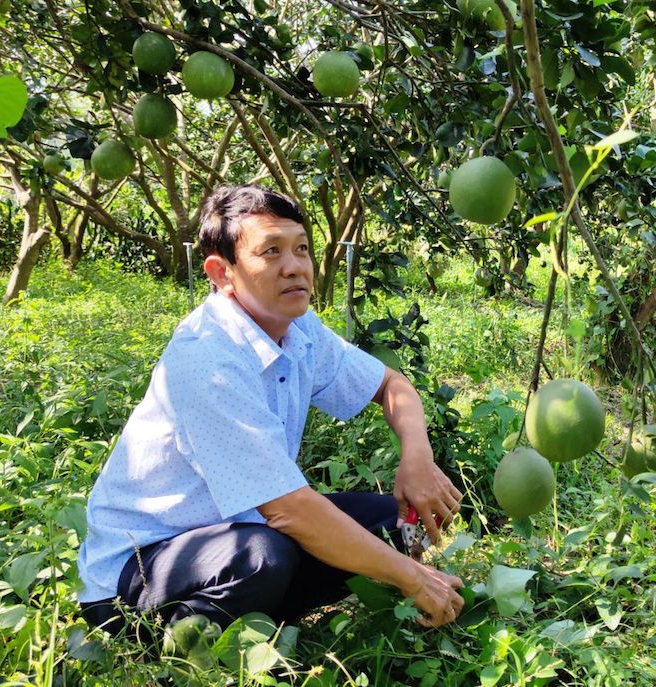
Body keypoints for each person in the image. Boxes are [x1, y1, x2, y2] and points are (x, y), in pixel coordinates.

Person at [76, 185, 465, 638]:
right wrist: (411, 577)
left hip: (235, 532)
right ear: (221, 273)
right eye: (271, 252)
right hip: (138, 573)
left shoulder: (298, 328)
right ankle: (179, 647)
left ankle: (263, 619)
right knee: (262, 556)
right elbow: (289, 511)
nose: (295, 266)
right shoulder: (208, 358)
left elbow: (392, 385)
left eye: (301, 248)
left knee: (389, 521)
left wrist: (416, 459)